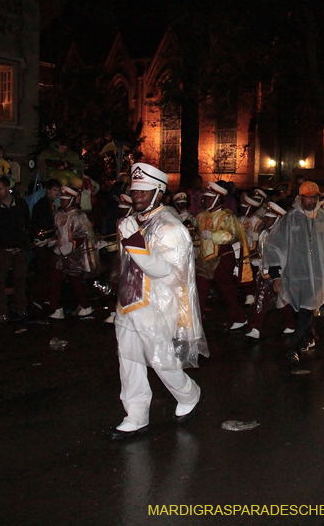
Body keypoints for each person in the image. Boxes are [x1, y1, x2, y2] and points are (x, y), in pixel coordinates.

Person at [110, 162, 207, 440]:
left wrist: (132, 239)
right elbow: (127, 262)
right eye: (134, 190)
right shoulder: (136, 220)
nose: (136, 196)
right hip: (129, 303)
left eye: (143, 191)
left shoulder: (170, 227)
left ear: (159, 193)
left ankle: (189, 393)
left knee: (162, 360)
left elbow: (162, 269)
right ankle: (136, 414)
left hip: (157, 306)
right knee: (128, 362)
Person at [263, 180, 324, 364]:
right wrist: (275, 275)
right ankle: (307, 338)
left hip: (319, 278)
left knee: (305, 312)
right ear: (300, 198)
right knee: (299, 313)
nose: (312, 201)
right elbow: (274, 247)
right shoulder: (289, 220)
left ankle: (292, 348)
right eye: (308, 197)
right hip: (294, 278)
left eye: (315, 197)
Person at [196, 181, 252, 330]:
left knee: (227, 289)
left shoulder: (226, 216)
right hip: (204, 258)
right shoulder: (201, 216)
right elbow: (197, 235)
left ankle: (239, 318)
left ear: (218, 199)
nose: (206, 200)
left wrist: (213, 235)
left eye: (209, 198)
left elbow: (233, 235)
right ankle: (196, 319)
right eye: (205, 198)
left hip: (222, 257)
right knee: (200, 289)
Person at [245, 202, 296, 340]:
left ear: (278, 219)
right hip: (264, 271)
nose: (265, 220)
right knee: (275, 300)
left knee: (268, 300)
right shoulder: (264, 233)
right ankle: (290, 325)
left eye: (269, 218)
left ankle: (256, 328)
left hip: (277, 273)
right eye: (265, 217)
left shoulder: (283, 236)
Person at [46, 186, 97, 319]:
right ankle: (57, 308)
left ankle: (86, 306)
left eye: (65, 199)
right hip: (60, 254)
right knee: (55, 280)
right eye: (61, 199)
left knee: (76, 281)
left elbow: (83, 235)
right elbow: (58, 233)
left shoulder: (79, 216)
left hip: (75, 255)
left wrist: (67, 248)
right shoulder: (58, 215)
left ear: (71, 200)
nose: (62, 202)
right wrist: (52, 241)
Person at [0, 176, 30, 323]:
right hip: (2, 250)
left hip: (19, 248)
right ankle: (2, 310)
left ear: (7, 188)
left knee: (21, 280)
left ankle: (21, 308)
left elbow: (27, 223)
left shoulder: (21, 204)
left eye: (0, 189)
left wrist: (23, 241)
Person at [29, 179, 61, 310]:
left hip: (50, 242)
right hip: (43, 242)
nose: (57, 193)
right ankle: (37, 297)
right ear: (48, 190)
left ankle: (45, 296)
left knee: (48, 270)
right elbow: (38, 223)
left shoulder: (52, 205)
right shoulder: (42, 205)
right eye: (55, 190)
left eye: (58, 190)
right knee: (42, 270)